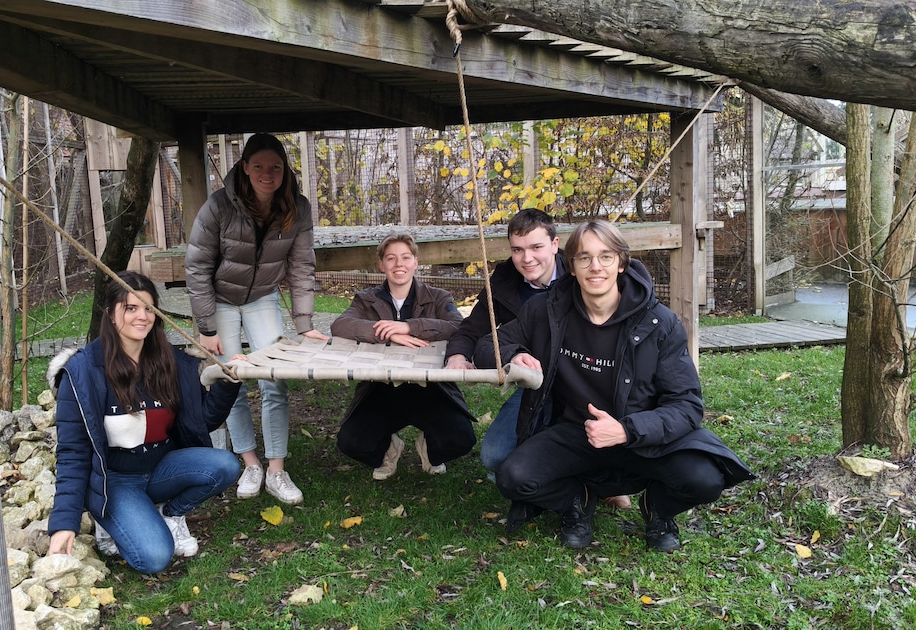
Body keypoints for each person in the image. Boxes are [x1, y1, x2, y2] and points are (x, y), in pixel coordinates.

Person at [476, 220, 753, 552]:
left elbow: (686, 405)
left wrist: (626, 430)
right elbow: (488, 344)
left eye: (606, 257)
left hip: (642, 434)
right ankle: (576, 502)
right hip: (576, 431)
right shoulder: (547, 310)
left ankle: (659, 510)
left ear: (621, 263)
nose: (595, 267)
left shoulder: (660, 322)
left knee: (705, 479)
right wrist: (514, 354)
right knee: (513, 476)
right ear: (572, 266)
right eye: (585, 258)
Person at [47, 271, 243, 574]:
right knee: (154, 557)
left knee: (225, 465)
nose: (142, 316)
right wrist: (64, 524)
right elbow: (73, 453)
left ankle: (170, 513)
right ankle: (109, 521)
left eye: (148, 308)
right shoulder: (82, 372)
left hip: (161, 469)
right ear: (111, 314)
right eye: (131, 308)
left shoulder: (169, 361)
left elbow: (204, 420)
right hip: (116, 481)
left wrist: (229, 381)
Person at [445, 209, 631, 509]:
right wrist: (459, 354)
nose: (527, 258)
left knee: (596, 434)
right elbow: (475, 331)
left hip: (589, 379)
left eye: (536, 247)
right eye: (517, 249)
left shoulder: (583, 272)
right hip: (539, 385)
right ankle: (569, 486)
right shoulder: (506, 282)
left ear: (555, 245)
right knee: (494, 457)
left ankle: (602, 479)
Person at [185, 132, 329, 505]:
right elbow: (197, 267)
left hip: (262, 297)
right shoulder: (218, 207)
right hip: (219, 300)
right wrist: (207, 328)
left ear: (284, 170)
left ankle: (276, 470)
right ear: (245, 168)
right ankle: (249, 462)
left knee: (273, 378)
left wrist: (304, 323)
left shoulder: (297, 208)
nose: (268, 174)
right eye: (260, 166)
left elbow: (300, 266)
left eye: (276, 167)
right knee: (231, 378)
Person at [330, 233, 477, 479]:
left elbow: (457, 325)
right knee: (350, 442)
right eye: (391, 258)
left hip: (431, 387)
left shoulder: (438, 297)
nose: (399, 264)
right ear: (381, 265)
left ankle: (430, 449)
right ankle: (389, 449)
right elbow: (340, 325)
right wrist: (386, 332)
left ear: (416, 262)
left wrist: (409, 326)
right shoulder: (366, 300)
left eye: (405, 258)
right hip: (381, 388)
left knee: (461, 439)